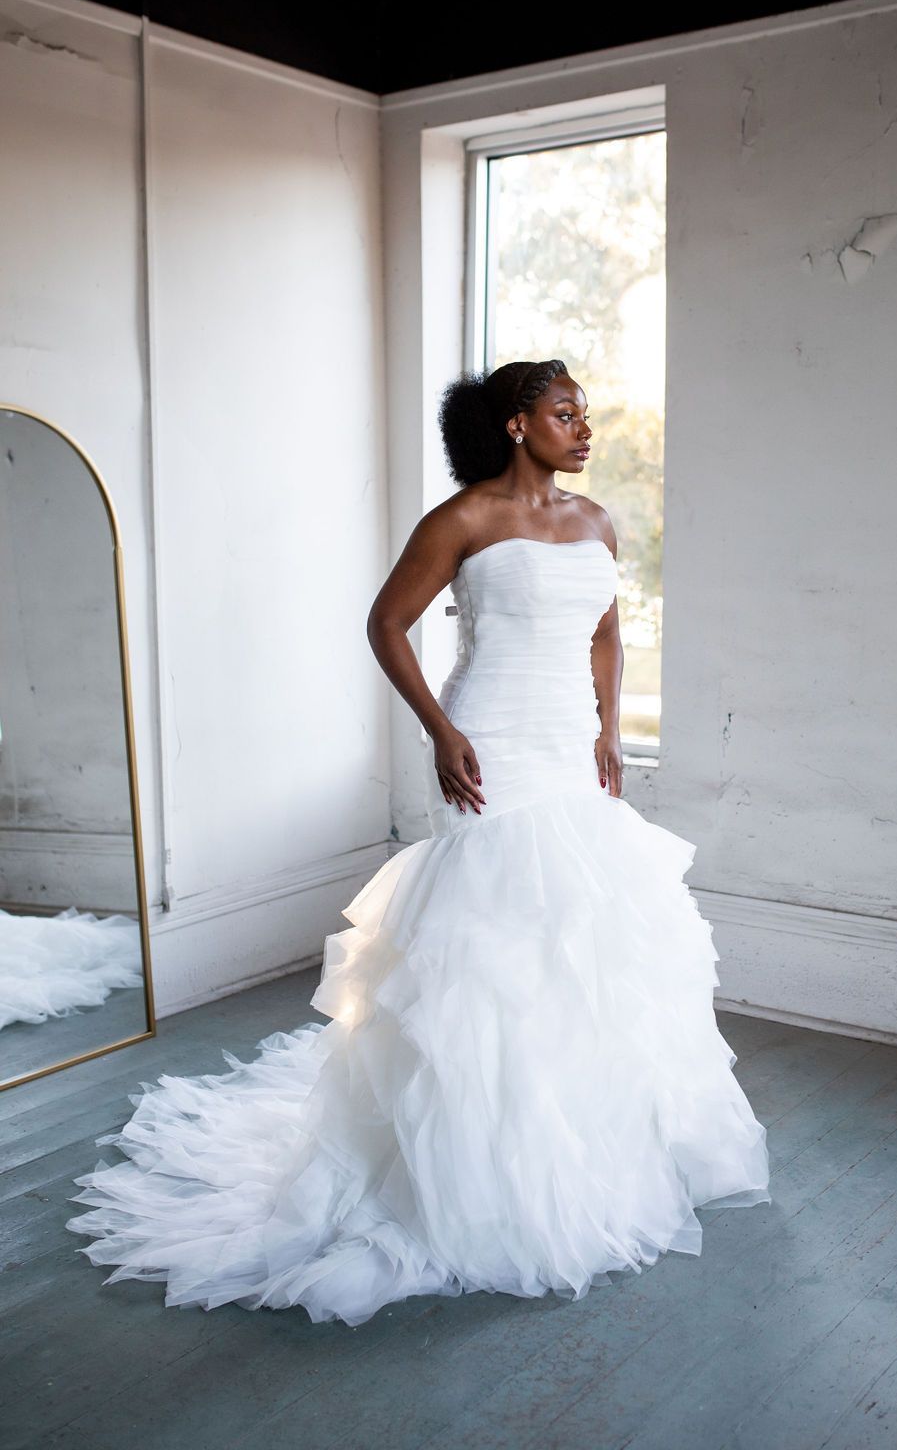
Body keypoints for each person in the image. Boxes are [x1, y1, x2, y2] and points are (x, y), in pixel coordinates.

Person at [66, 359, 771, 1327]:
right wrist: (441, 731)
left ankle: (581, 1146)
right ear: (517, 424)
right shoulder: (464, 518)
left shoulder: (597, 522)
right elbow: (387, 623)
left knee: (582, 937)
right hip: (492, 741)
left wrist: (608, 729)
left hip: (567, 744)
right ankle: (472, 1169)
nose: (584, 427)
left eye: (585, 414)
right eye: (565, 413)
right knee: (491, 944)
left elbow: (606, 634)